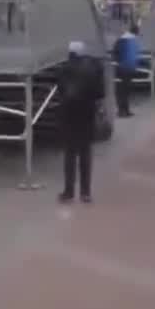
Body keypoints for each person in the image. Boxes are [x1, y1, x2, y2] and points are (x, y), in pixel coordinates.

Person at [57, 41, 105, 204]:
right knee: (85, 153)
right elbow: (100, 93)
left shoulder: (63, 69)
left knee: (70, 154)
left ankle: (68, 191)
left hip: (69, 114)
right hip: (87, 114)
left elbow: (60, 91)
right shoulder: (93, 68)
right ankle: (85, 192)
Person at [112, 25, 141, 117]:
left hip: (122, 67)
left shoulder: (121, 39)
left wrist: (117, 62)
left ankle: (123, 110)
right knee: (125, 91)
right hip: (129, 67)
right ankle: (124, 110)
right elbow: (136, 54)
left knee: (122, 90)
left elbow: (115, 53)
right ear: (136, 32)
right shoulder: (133, 40)